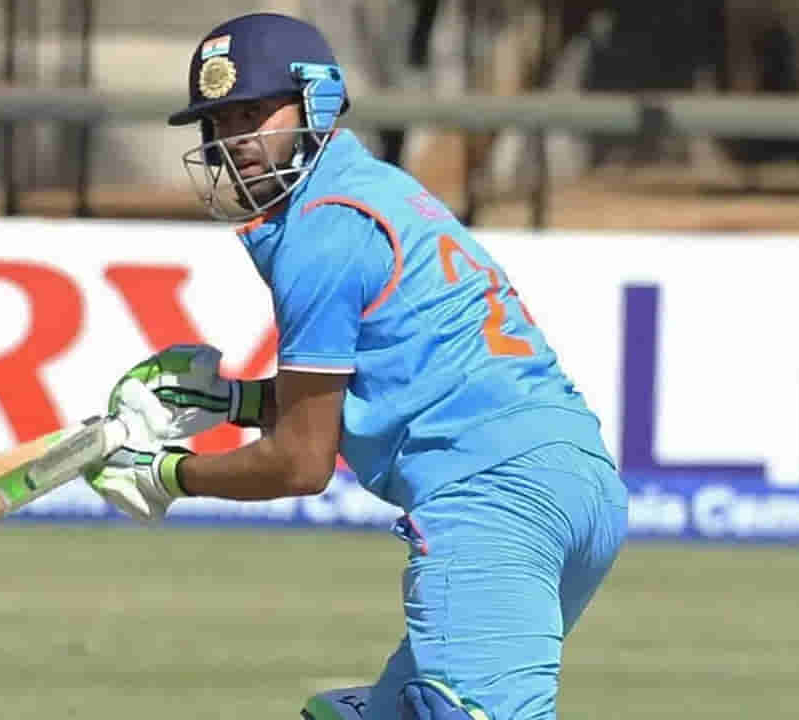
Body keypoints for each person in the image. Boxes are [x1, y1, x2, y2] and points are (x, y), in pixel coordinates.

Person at [85, 13, 628, 720]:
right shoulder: (376, 188)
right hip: (578, 482)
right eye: (219, 121)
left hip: (492, 501)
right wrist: (231, 401)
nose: (234, 139)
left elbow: (300, 463)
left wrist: (166, 475)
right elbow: (385, 384)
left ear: (315, 103)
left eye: (254, 113)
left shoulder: (323, 231)